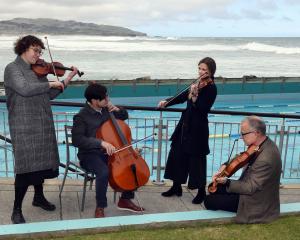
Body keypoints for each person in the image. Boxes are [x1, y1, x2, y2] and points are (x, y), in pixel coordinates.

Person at [4, 35, 78, 224]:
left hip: (42, 123)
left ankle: (39, 197)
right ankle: (17, 209)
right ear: (23, 49)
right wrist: (50, 82)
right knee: (25, 168)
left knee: (42, 165)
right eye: (35, 50)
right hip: (24, 126)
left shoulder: (39, 72)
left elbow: (50, 93)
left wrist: (67, 78)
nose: (38, 55)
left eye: (40, 51)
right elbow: (25, 89)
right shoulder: (12, 69)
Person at [72, 83, 144, 218]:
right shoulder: (81, 117)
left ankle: (125, 199)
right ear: (94, 101)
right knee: (103, 172)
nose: (108, 99)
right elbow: (77, 140)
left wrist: (117, 110)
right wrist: (101, 142)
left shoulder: (107, 109)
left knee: (132, 166)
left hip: (114, 152)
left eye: (107, 96)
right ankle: (100, 206)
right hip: (90, 154)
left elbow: (124, 116)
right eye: (104, 98)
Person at [158, 57, 217, 204]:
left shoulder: (211, 88)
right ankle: (176, 187)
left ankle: (201, 192)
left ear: (211, 71)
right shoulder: (195, 84)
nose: (201, 72)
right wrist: (167, 102)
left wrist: (196, 98)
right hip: (185, 126)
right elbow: (181, 97)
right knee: (177, 155)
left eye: (204, 70)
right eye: (200, 68)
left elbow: (203, 109)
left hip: (198, 129)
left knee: (197, 162)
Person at [204, 116, 282, 223]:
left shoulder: (266, 158)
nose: (241, 136)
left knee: (208, 201)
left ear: (256, 133)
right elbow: (241, 157)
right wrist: (225, 165)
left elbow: (250, 187)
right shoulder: (260, 144)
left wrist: (227, 181)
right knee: (212, 188)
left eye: (243, 133)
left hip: (255, 200)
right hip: (247, 189)